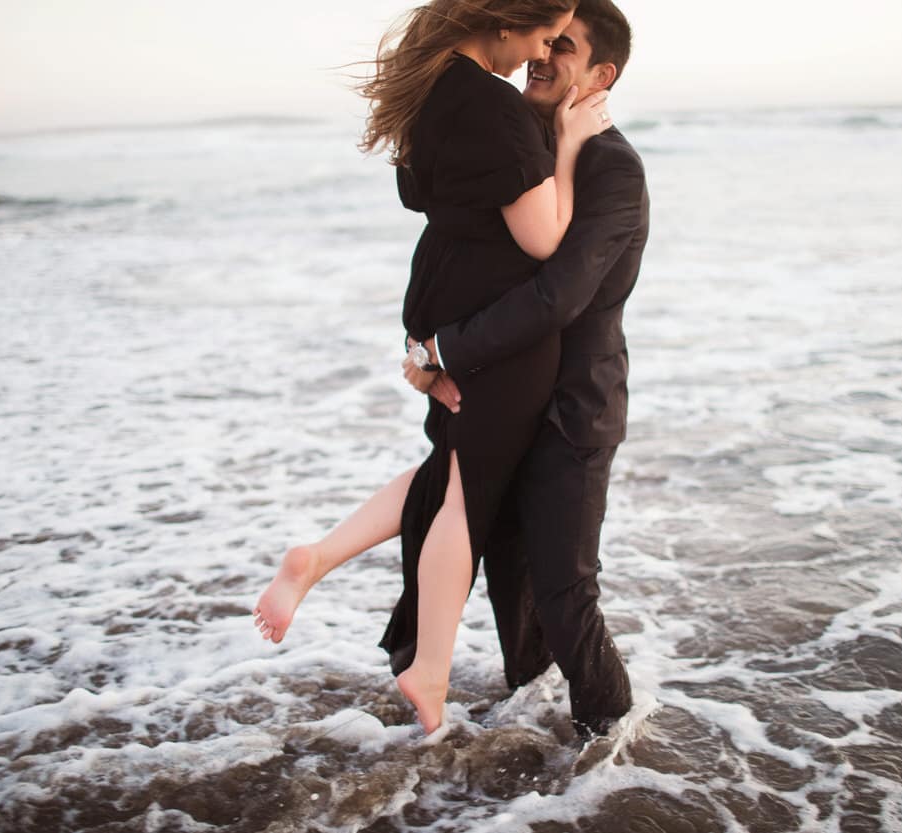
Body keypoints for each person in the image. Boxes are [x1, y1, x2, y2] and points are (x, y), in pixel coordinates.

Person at [252, 0, 612, 735]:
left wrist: (432, 340)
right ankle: (430, 666)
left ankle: (317, 559)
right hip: (490, 321)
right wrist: (570, 143)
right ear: (508, 22)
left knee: (452, 466)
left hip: (440, 298)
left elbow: (429, 200)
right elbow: (546, 240)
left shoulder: (431, 88)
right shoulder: (493, 105)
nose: (538, 56)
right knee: (467, 489)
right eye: (542, 36)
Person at [405, 0, 647, 738]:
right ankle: (533, 722)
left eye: (563, 48)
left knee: (565, 586)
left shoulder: (610, 166)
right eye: (544, 41)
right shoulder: (517, 146)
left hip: (573, 409)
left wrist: (445, 348)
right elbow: (458, 248)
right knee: (507, 574)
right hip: (505, 399)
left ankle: (613, 745)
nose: (542, 57)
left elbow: (557, 294)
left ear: (601, 74)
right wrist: (418, 341)